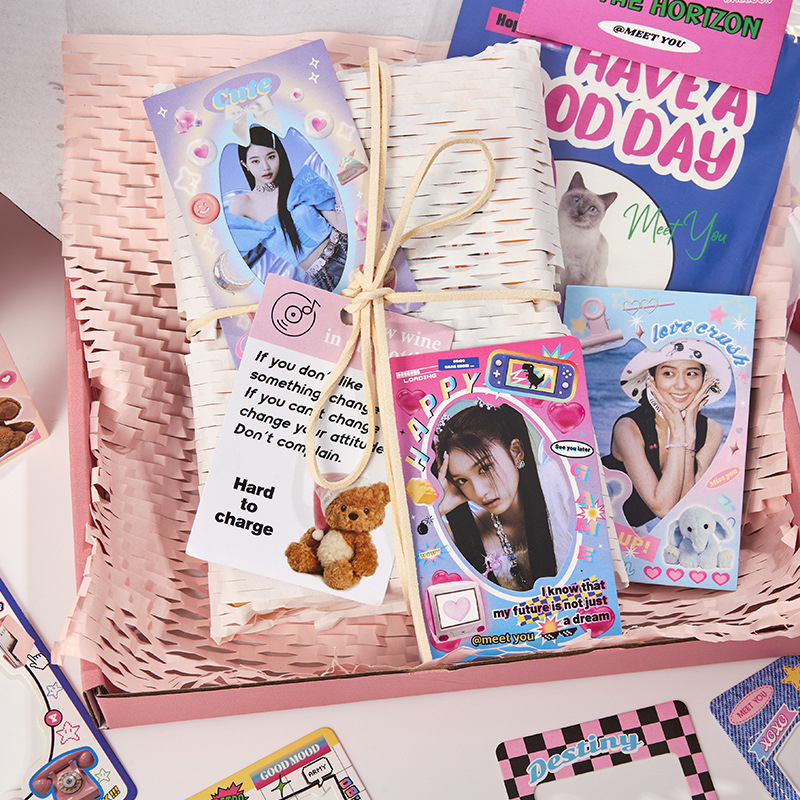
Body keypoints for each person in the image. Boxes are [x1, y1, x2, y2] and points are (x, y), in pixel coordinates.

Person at [431, 402, 573, 592]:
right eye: (462, 480)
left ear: (516, 451)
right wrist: (440, 508)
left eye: (484, 468)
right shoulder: (463, 539)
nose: (479, 492)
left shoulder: (561, 485)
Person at [602, 338, 727, 530]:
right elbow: (662, 508)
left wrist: (689, 437)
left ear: (704, 380)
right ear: (651, 379)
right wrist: (677, 432)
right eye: (668, 373)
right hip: (599, 524)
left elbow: (685, 508)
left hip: (639, 533)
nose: (681, 385)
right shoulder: (627, 428)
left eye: (692, 374)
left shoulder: (713, 431)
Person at [226, 126, 348, 291]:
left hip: (345, 250)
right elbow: (239, 264)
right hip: (322, 280)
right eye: (255, 161)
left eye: (271, 157)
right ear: (245, 164)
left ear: (279, 155)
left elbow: (343, 226)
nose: (265, 167)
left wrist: (337, 174)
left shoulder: (300, 185)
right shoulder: (242, 204)